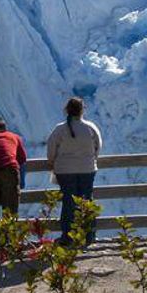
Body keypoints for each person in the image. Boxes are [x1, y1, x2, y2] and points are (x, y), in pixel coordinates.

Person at [47, 97, 102, 245]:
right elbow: (98, 147)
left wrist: (53, 163)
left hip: (64, 171)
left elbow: (51, 149)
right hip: (87, 169)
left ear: (67, 110)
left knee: (68, 202)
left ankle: (67, 237)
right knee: (86, 201)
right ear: (82, 110)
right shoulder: (90, 127)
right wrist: (90, 160)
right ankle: (89, 236)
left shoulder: (59, 129)